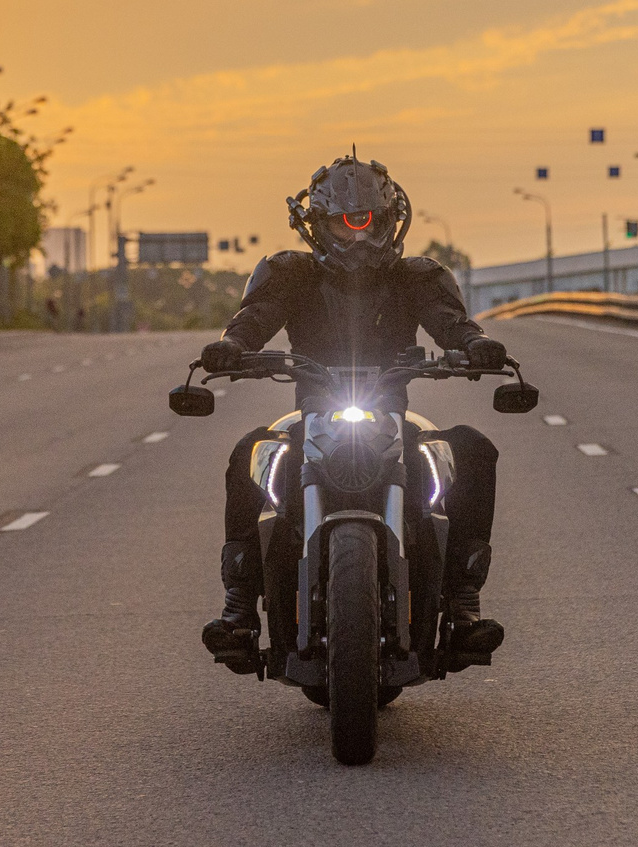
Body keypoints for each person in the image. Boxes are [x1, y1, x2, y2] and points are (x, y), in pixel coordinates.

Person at [195, 154, 511, 669]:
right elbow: (254, 319)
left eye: (367, 222)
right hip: (314, 414)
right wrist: (230, 345)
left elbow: (451, 322)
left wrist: (477, 344)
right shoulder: (290, 275)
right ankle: (239, 611)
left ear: (389, 221)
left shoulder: (417, 278)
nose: (357, 237)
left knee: (472, 449)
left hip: (391, 415)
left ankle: (462, 604)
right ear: (319, 225)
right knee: (250, 451)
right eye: (346, 222)